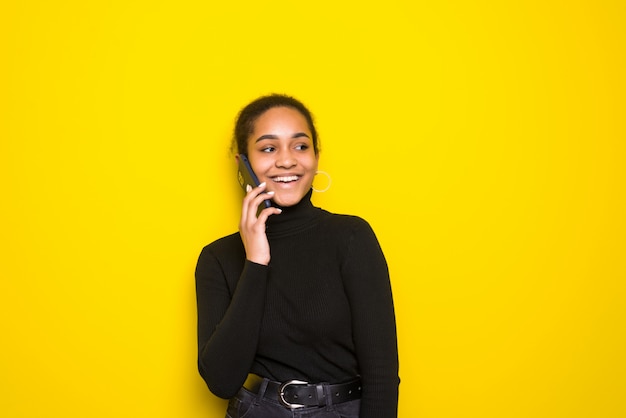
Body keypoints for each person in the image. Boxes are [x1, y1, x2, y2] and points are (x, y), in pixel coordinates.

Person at [195, 94, 399, 418]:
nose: (287, 160)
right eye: (268, 148)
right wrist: (256, 262)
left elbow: (382, 376)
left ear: (317, 156)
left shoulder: (351, 238)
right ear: (242, 163)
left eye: (301, 146)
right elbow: (222, 380)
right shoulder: (218, 259)